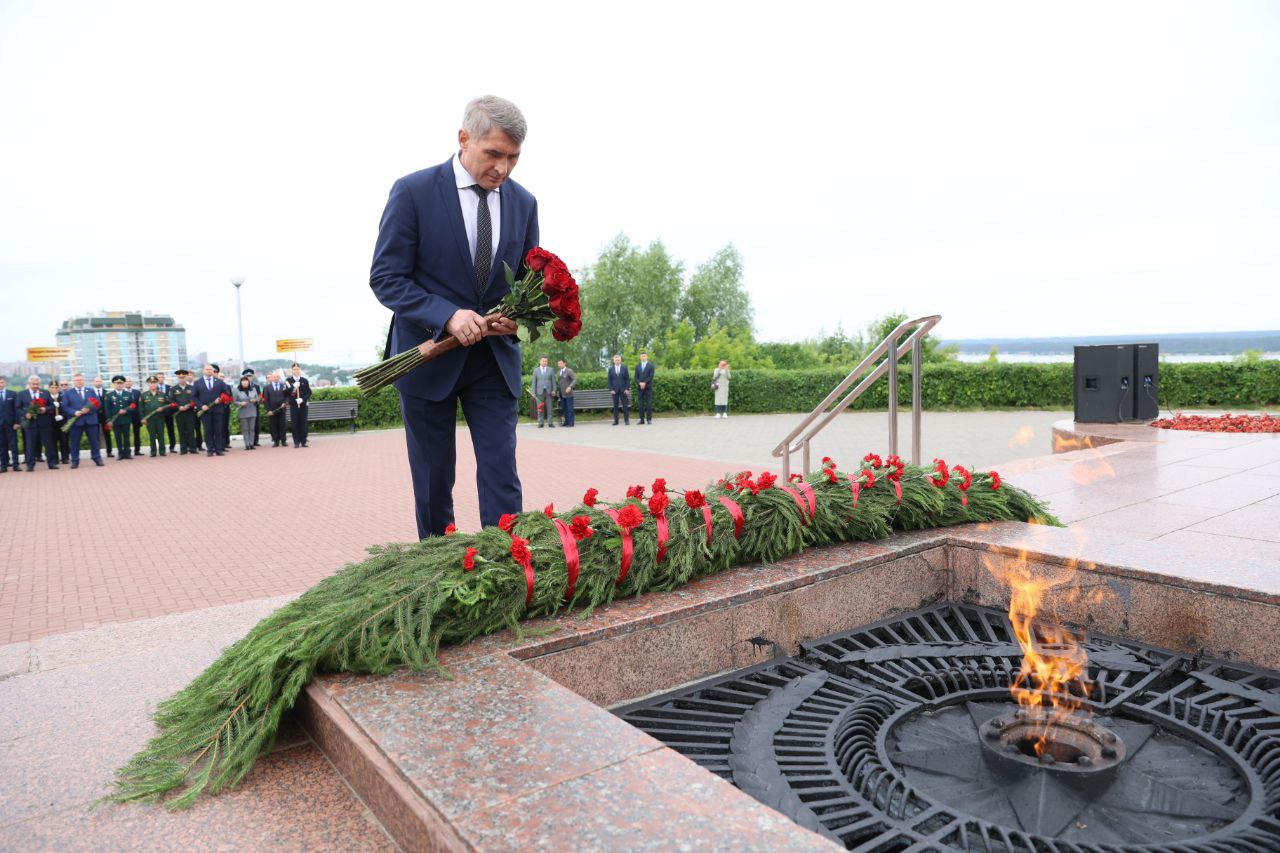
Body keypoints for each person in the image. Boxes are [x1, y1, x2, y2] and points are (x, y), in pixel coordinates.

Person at [369, 95, 538, 537]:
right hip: (427, 358)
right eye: (494, 154)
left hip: (494, 361)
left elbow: (526, 283)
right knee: (432, 482)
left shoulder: (524, 203)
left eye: (514, 158)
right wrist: (447, 315)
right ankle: (439, 577)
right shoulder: (413, 192)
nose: (503, 168)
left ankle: (506, 570)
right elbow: (386, 278)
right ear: (464, 139)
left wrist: (515, 319)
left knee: (502, 477)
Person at [62, 373, 104, 468]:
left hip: (91, 420)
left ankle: (97, 458)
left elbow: (98, 403)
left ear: (83, 380)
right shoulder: (68, 393)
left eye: (81, 380)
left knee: (94, 441)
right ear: (73, 381)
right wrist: (74, 412)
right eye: (77, 380)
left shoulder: (91, 391)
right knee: (75, 442)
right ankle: (75, 461)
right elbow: (64, 406)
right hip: (76, 421)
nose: (79, 382)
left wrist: (90, 409)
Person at [18, 376, 58, 470]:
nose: (35, 386)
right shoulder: (22, 394)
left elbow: (52, 406)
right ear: (29, 384)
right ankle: (30, 465)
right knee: (30, 445)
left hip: (44, 423)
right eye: (33, 384)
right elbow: (18, 408)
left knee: (48, 444)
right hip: (30, 424)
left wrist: (45, 409)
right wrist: (25, 414)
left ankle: (51, 464)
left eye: (37, 384)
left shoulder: (45, 393)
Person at [192, 363, 229, 456]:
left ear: (213, 371)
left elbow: (226, 393)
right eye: (207, 369)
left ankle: (218, 449)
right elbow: (194, 397)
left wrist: (220, 399)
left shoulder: (219, 382)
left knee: (218, 430)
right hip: (205, 411)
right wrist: (201, 406)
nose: (209, 371)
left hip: (218, 410)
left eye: (210, 369)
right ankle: (210, 449)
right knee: (208, 431)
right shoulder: (197, 383)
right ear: (203, 371)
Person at [169, 369, 198, 454]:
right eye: (180, 378)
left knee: (191, 430)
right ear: (178, 378)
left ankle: (193, 448)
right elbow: (171, 401)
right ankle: (183, 449)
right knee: (181, 431)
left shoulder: (192, 388)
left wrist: (189, 405)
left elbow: (194, 399)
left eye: (183, 377)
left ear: (186, 377)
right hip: (179, 413)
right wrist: (179, 407)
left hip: (190, 413)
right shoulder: (173, 389)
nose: (182, 379)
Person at [105, 375, 135, 458]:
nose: (119, 385)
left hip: (126, 419)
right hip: (115, 420)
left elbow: (133, 405)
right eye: (117, 383)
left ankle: (127, 453)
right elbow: (107, 409)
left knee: (126, 437)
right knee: (118, 437)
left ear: (123, 384)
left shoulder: (128, 394)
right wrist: (109, 420)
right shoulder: (109, 395)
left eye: (121, 383)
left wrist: (126, 410)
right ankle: (120, 453)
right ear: (114, 384)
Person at [139, 376, 170, 457]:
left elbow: (168, 406)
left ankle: (162, 451)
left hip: (160, 418)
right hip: (149, 419)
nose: (153, 385)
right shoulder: (144, 395)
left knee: (161, 435)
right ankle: (153, 452)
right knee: (152, 436)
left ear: (157, 384)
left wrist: (162, 409)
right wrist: (143, 418)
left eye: (154, 383)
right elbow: (141, 408)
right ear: (148, 384)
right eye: (151, 383)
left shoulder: (162, 395)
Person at [285, 363, 312, 448]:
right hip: (294, 405)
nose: (296, 371)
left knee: (303, 423)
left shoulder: (304, 380)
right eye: (294, 369)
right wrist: (293, 386)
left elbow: (309, 392)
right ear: (292, 370)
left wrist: (302, 399)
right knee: (295, 424)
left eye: (297, 369)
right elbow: (286, 393)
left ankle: (303, 441)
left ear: (300, 370)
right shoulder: (288, 380)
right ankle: (296, 442)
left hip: (303, 405)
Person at [262, 370, 290, 447]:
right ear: (271, 378)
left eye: (277, 377)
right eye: (274, 377)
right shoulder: (267, 387)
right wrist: (268, 410)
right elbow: (266, 400)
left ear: (279, 377)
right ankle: (276, 441)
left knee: (283, 425)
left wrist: (285, 402)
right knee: (273, 426)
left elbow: (287, 396)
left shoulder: (283, 386)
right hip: (272, 410)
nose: (275, 378)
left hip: (282, 409)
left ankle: (283, 441)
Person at [233, 375, 260, 450]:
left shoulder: (253, 389)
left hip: (252, 411)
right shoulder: (237, 390)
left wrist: (255, 400)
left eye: (246, 381)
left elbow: (258, 399)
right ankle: (247, 444)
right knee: (245, 429)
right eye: (243, 381)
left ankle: (251, 444)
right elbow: (234, 402)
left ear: (248, 382)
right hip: (243, 412)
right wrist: (240, 403)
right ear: (241, 382)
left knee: (252, 429)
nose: (245, 383)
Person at [0, 376, 19, 472]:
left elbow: (16, 410)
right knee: (2, 446)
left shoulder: (12, 394)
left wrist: (16, 422)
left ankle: (16, 465)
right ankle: (3, 466)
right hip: (0, 425)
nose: (0, 384)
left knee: (13, 445)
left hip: (11, 424)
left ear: (5, 383)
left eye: (2, 382)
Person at [531, 356, 556, 428]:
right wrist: (533, 392)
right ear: (540, 361)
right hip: (539, 392)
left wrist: (554, 390)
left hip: (549, 392)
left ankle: (550, 422)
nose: (544, 362)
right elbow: (534, 382)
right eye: (543, 361)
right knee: (540, 408)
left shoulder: (551, 370)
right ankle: (540, 422)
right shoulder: (536, 370)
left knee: (549, 407)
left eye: (546, 361)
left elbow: (553, 381)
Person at [155, 371, 177, 452]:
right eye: (158, 377)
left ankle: (172, 447)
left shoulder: (170, 388)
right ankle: (161, 447)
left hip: (169, 413)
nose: (160, 379)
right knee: (159, 431)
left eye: (161, 377)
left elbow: (173, 400)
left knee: (171, 430)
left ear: (164, 378)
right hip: (159, 413)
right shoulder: (154, 388)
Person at [92, 375, 114, 457]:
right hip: (94, 416)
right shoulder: (91, 392)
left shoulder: (107, 393)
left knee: (107, 434)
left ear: (102, 382)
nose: (98, 383)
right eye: (96, 381)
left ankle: (109, 451)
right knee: (94, 434)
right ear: (93, 382)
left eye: (99, 381)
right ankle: (96, 453)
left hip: (105, 417)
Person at [241, 368, 263, 448]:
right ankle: (248, 442)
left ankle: (255, 441)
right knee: (246, 427)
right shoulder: (240, 387)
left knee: (255, 424)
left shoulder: (256, 386)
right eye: (247, 376)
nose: (249, 377)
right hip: (245, 408)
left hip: (254, 407)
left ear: (252, 377)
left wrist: (257, 400)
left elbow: (260, 396)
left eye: (250, 376)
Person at [51, 379, 72, 463]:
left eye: (65, 385)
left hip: (64, 421)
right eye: (61, 385)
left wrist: (62, 415)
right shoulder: (51, 397)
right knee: (53, 441)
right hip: (53, 422)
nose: (63, 387)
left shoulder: (65, 396)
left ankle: (65, 457)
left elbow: (66, 408)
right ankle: (55, 458)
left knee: (64, 440)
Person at [608, 354, 630, 425]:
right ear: (613, 361)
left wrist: (627, 389)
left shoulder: (625, 368)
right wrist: (611, 389)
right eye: (616, 360)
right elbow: (609, 380)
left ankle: (626, 420)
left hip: (623, 390)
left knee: (625, 406)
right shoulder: (611, 369)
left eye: (618, 360)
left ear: (620, 360)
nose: (617, 361)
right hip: (614, 391)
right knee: (615, 407)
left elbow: (627, 379)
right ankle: (616, 421)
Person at [124, 377, 144, 456]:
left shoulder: (137, 392)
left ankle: (137, 450)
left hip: (136, 417)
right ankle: (127, 451)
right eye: (127, 381)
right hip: (126, 416)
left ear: (132, 383)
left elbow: (140, 405)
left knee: (137, 434)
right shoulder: (122, 392)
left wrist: (141, 417)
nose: (128, 383)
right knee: (126, 434)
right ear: (124, 383)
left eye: (130, 381)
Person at [634, 351, 655, 425]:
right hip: (640, 388)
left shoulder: (651, 366)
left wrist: (645, 383)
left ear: (647, 357)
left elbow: (651, 376)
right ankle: (641, 419)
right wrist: (639, 383)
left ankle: (649, 419)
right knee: (640, 404)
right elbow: (636, 377)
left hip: (648, 387)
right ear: (640, 357)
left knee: (649, 404)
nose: (643, 357)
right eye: (642, 356)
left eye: (644, 356)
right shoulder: (637, 366)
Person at [556, 359, 576, 427]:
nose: (559, 365)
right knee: (564, 409)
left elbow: (575, 379)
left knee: (569, 408)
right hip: (562, 394)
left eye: (561, 363)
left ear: (565, 363)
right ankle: (566, 422)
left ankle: (571, 423)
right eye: (558, 364)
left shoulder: (569, 371)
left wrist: (570, 387)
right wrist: (557, 392)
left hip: (569, 394)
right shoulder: (558, 372)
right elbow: (559, 383)